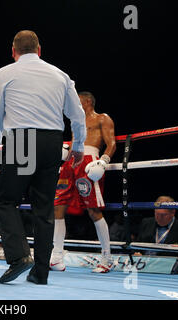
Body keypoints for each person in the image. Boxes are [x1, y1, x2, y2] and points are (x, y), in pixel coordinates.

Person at [0, 30, 86, 285]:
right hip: (53, 142)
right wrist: (78, 145)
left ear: (13, 51)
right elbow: (77, 115)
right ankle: (40, 272)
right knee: (44, 209)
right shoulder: (60, 75)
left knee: (7, 201)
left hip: (23, 139)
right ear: (39, 50)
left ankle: (20, 257)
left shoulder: (5, 73)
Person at [51, 91, 116, 273]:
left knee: (93, 210)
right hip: (71, 163)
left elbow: (111, 144)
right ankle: (56, 256)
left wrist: (103, 161)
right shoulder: (75, 122)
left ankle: (107, 257)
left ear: (88, 101)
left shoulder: (102, 118)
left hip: (89, 162)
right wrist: (67, 151)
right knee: (58, 206)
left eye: (77, 100)